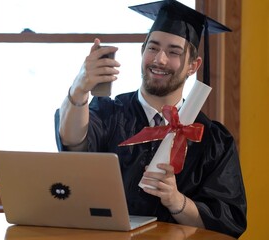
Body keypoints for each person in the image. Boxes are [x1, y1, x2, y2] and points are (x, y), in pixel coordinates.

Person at [54, 0, 246, 238]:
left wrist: (177, 202)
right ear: (142, 51)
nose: (159, 60)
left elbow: (227, 223)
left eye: (174, 52)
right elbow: (72, 141)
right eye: (153, 48)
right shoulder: (109, 114)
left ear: (193, 66)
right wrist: (80, 88)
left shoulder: (211, 139)